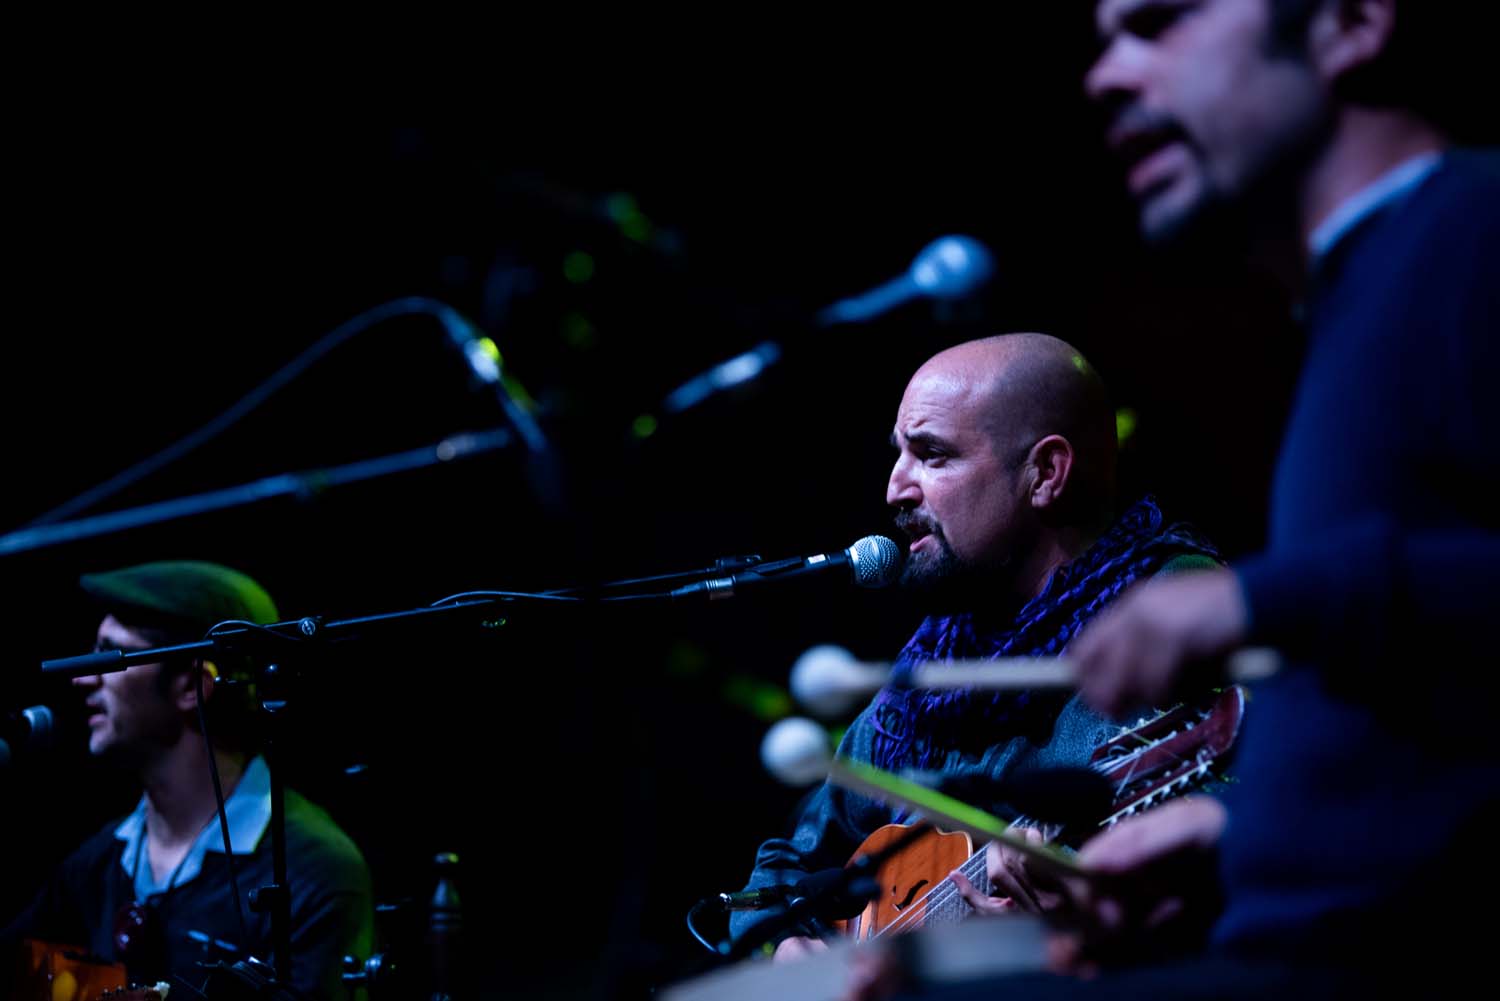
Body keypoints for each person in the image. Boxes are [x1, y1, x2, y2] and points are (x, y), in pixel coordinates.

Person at [865, 2, 1497, 997]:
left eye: (1163, 22)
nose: (1107, 76)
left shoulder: (1470, 237)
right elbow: (1424, 730)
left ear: (1352, 25)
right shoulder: (1352, 306)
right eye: (1107, 37)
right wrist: (1224, 834)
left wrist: (1264, 596)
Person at [730, 332, 1222, 956]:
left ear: (1045, 473)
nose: (895, 488)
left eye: (932, 455)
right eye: (898, 454)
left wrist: (1086, 918)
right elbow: (784, 865)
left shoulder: (1170, 615)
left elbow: (1246, 844)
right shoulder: (938, 659)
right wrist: (784, 946)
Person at [3, 561, 375, 1000]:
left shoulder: (312, 871)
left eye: (110, 655)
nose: (83, 678)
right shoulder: (96, 865)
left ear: (191, 686)